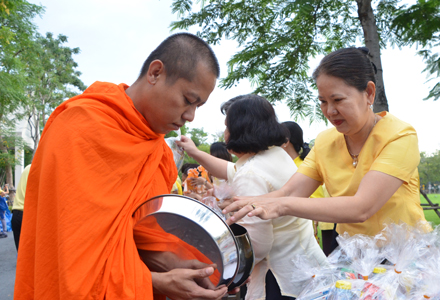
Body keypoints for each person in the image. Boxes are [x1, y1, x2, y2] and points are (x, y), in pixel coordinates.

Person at [15, 33, 229, 300]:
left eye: (198, 106)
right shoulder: (80, 127)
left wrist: (178, 264)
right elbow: (72, 260)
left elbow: (138, 234)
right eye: (188, 99)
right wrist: (157, 281)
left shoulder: (158, 152)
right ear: (155, 73)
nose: (190, 116)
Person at [223, 47, 427, 239]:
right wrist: (243, 203)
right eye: (323, 101)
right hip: (357, 256)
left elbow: (362, 208)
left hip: (404, 257)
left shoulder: (400, 136)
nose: (330, 111)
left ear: (369, 93)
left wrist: (281, 206)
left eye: (338, 100)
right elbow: (290, 192)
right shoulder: (325, 141)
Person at [178, 94, 327, 299]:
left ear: (240, 129)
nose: (225, 132)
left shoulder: (251, 173)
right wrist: (195, 152)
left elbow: (257, 244)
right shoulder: (275, 154)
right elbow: (233, 170)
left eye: (227, 126)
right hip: (307, 263)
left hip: (279, 278)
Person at [281, 121, 335, 256]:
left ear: (286, 141)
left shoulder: (303, 166)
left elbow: (317, 199)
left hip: (305, 231)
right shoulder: (282, 166)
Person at [11, 164, 31, 251]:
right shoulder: (38, 169)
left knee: (21, 255)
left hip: (16, 213)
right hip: (28, 215)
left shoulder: (27, 168)